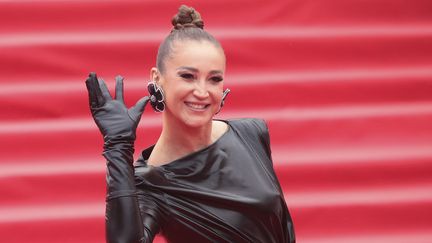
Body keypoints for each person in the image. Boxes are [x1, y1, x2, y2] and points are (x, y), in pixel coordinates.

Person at [85, 5, 295, 243]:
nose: (203, 92)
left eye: (214, 79)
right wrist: (118, 147)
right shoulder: (150, 183)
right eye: (188, 76)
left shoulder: (252, 132)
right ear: (157, 78)